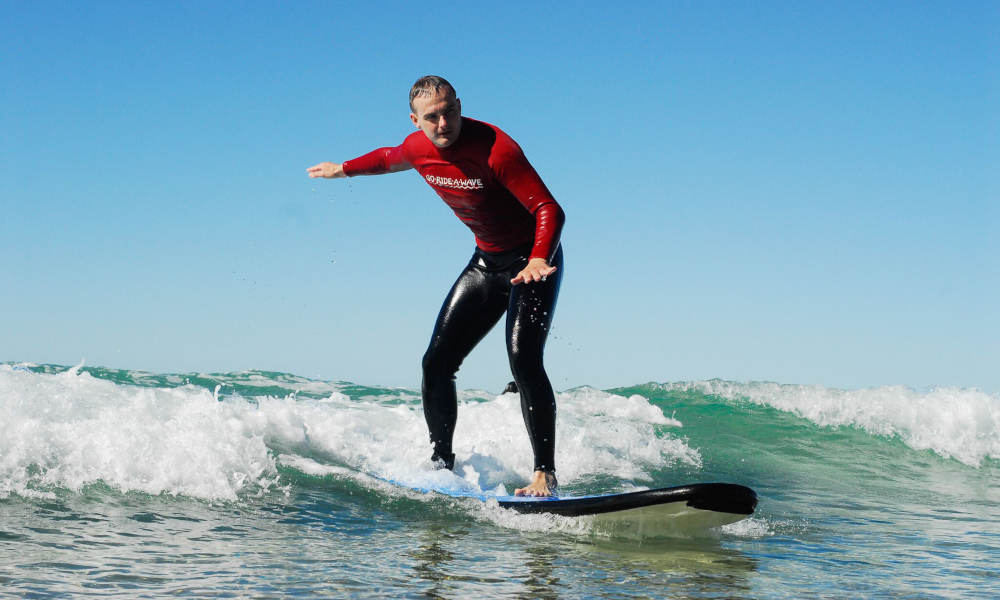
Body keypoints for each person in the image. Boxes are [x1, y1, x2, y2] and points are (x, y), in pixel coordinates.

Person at [307, 76, 565, 497]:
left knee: (523, 359)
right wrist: (344, 169)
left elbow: (548, 209)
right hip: (486, 263)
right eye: (432, 117)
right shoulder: (418, 147)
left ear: (459, 105)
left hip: (533, 261)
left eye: (450, 111)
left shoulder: (497, 148)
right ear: (416, 121)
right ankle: (442, 462)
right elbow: (388, 157)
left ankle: (544, 474)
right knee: (436, 363)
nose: (444, 123)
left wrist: (539, 257)